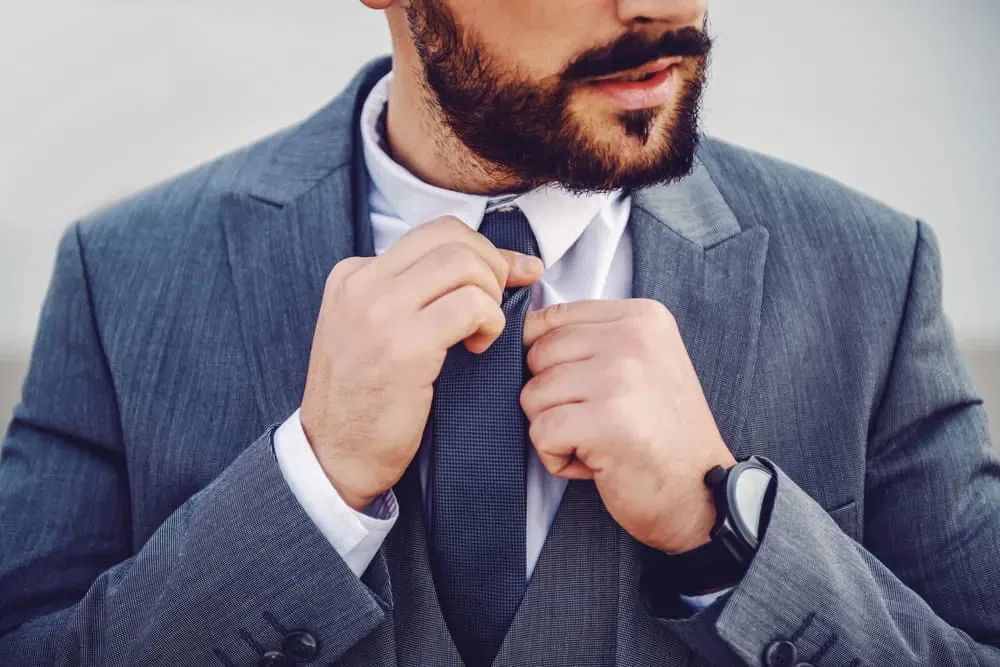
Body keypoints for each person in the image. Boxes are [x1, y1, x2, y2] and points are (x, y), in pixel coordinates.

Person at [1, 0, 998, 665]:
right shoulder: (122, 273)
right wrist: (311, 485)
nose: (655, 5)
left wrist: (727, 531)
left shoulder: (870, 270)